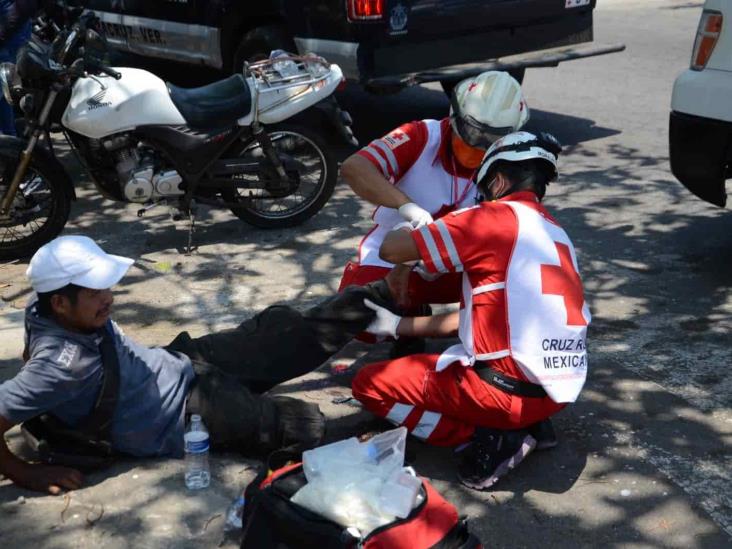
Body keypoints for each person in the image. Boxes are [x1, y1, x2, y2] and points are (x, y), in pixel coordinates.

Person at [0, 235, 393, 494]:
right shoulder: (59, 366)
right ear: (61, 303)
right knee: (294, 424)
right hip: (182, 414)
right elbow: (33, 381)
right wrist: (25, 473)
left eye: (106, 285)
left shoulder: (44, 306)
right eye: (94, 292)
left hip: (178, 363)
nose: (108, 297)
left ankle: (388, 295)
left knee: (282, 331)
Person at [351, 131, 591, 490]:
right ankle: (526, 425)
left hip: (500, 394)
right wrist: (399, 326)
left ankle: (485, 434)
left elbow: (392, 250)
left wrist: (414, 218)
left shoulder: (488, 219)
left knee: (369, 385)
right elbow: (477, 320)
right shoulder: (556, 233)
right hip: (554, 395)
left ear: (496, 180)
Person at [338, 71, 529, 316]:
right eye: (471, 133)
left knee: (516, 293)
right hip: (395, 250)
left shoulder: (510, 165)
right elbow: (355, 168)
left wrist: (445, 255)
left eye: (490, 140)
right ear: (455, 116)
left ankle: (457, 326)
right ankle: (412, 316)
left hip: (460, 262)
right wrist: (407, 207)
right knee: (358, 314)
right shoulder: (421, 136)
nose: (477, 146)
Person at [0, 0, 39, 135]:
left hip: (7, 45)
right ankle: (10, 142)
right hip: (13, 43)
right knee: (4, 97)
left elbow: (17, 14)